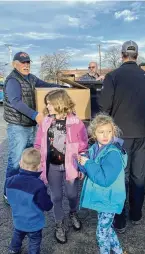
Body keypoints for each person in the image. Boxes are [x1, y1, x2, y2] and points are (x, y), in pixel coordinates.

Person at [98, 40, 145, 233]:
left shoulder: (113, 76)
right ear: (136, 56)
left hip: (121, 136)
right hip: (141, 133)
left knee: (120, 176)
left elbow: (104, 106)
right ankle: (136, 214)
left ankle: (120, 220)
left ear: (122, 55)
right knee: (139, 175)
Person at [3, 51, 59, 204]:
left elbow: (46, 86)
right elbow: (16, 101)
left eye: (28, 62)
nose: (26, 65)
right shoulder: (13, 80)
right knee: (15, 161)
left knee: (29, 160)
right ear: (15, 64)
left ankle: (24, 189)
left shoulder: (31, 78)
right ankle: (8, 193)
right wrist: (35, 115)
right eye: (23, 62)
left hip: (30, 126)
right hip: (18, 127)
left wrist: (62, 86)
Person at [34, 89, 88, 244]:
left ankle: (72, 213)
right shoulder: (45, 122)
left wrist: (82, 167)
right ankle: (59, 224)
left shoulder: (77, 123)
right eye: (47, 104)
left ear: (60, 103)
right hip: (52, 167)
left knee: (72, 194)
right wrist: (37, 161)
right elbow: (38, 144)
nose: (48, 106)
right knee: (55, 197)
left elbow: (84, 147)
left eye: (50, 103)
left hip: (71, 166)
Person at [78, 113, 127, 254]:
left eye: (109, 131)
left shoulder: (113, 153)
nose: (106, 135)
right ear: (94, 133)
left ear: (114, 131)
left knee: (101, 233)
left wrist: (87, 164)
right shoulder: (95, 148)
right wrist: (82, 165)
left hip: (110, 198)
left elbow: (104, 180)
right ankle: (118, 251)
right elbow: (90, 163)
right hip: (103, 198)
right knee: (107, 229)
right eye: (101, 132)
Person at [6, 148, 53, 254]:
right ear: (38, 167)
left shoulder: (9, 181)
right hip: (34, 222)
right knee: (34, 241)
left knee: (17, 235)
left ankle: (13, 250)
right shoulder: (38, 185)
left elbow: (8, 196)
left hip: (18, 220)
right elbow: (46, 205)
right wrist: (50, 202)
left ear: (20, 163)